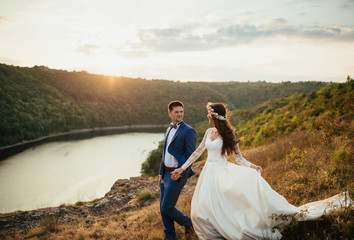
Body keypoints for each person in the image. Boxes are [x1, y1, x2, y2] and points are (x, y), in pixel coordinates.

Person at [171, 102, 350, 240]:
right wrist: (182, 168)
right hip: (208, 174)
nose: (207, 115)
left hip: (222, 172)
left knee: (225, 206)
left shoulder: (230, 134)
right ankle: (212, 232)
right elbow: (197, 152)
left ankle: (230, 228)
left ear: (214, 116)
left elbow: (238, 158)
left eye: (208, 113)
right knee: (201, 209)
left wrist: (252, 166)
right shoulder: (209, 131)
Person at [159, 100, 196, 240]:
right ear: (170, 113)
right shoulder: (168, 130)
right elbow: (165, 154)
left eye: (181, 111)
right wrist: (160, 174)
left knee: (167, 208)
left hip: (177, 174)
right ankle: (170, 237)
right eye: (176, 112)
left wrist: (180, 171)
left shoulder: (189, 131)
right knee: (163, 210)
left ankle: (189, 223)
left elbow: (190, 157)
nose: (180, 114)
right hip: (165, 173)